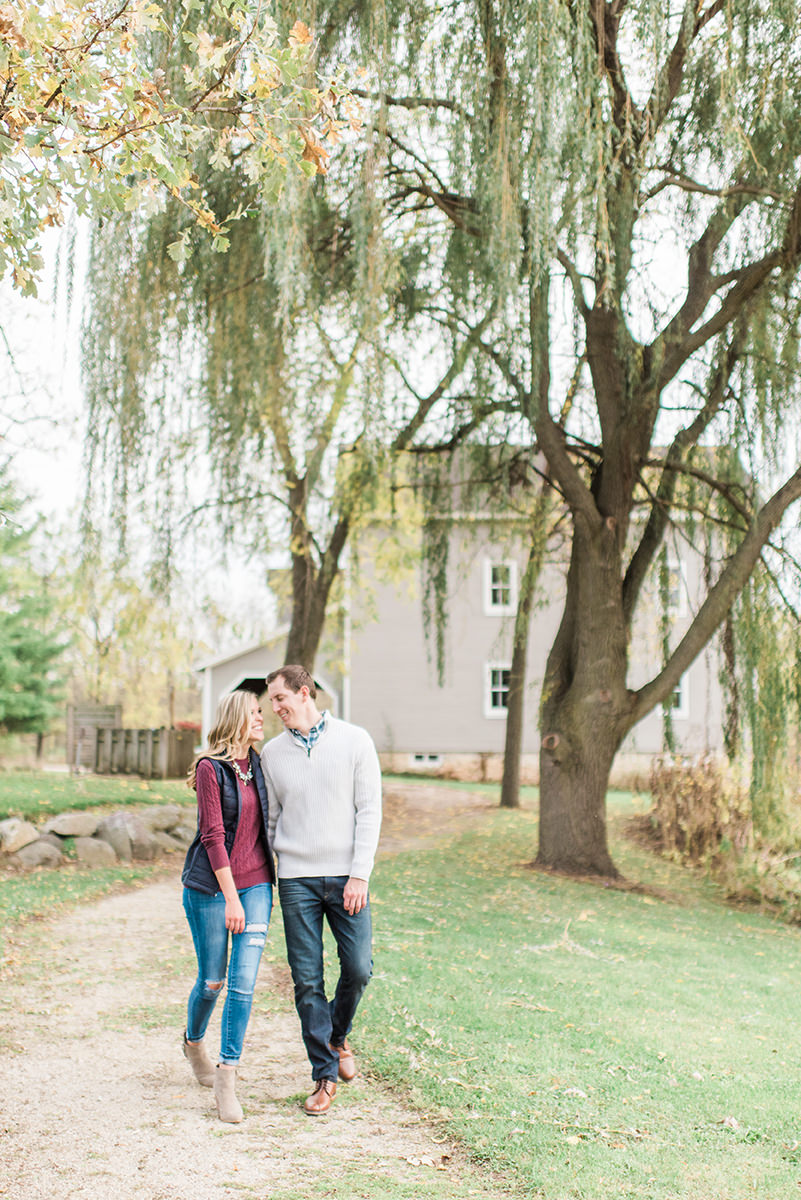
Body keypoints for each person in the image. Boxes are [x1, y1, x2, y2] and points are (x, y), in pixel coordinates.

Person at [261, 664, 382, 1115]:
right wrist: (281, 864)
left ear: (304, 692)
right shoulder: (272, 754)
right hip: (296, 880)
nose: (274, 709)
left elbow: (369, 811)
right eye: (271, 702)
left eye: (279, 699)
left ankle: (335, 1036)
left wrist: (360, 874)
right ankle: (324, 1074)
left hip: (348, 877)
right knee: (307, 979)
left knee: (359, 968)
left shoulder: (355, 741)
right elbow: (271, 819)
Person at [180, 689, 275, 1123]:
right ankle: (193, 1041)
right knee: (213, 980)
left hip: (257, 884)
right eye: (256, 712)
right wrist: (231, 898)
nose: (262, 717)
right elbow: (213, 837)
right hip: (211, 889)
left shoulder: (262, 764)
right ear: (237, 717)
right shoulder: (209, 769)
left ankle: (227, 1076)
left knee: (243, 983)